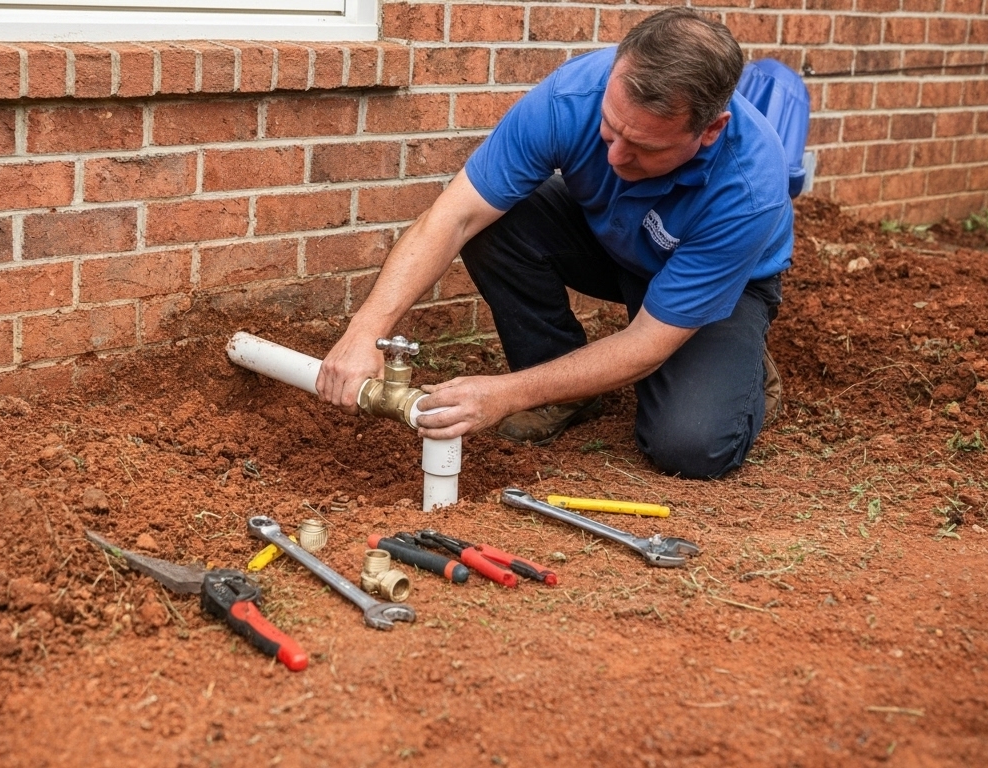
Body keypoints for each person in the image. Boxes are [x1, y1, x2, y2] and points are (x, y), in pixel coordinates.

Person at [315, 8, 795, 479]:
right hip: (614, 238)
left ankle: (743, 371)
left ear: (710, 130)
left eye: (646, 147)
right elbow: (454, 217)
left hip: (719, 281)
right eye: (610, 128)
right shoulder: (573, 95)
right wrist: (365, 330)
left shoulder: (749, 190)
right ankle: (564, 388)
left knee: (690, 445)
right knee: (495, 222)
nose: (615, 156)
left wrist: (506, 393)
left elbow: (647, 343)